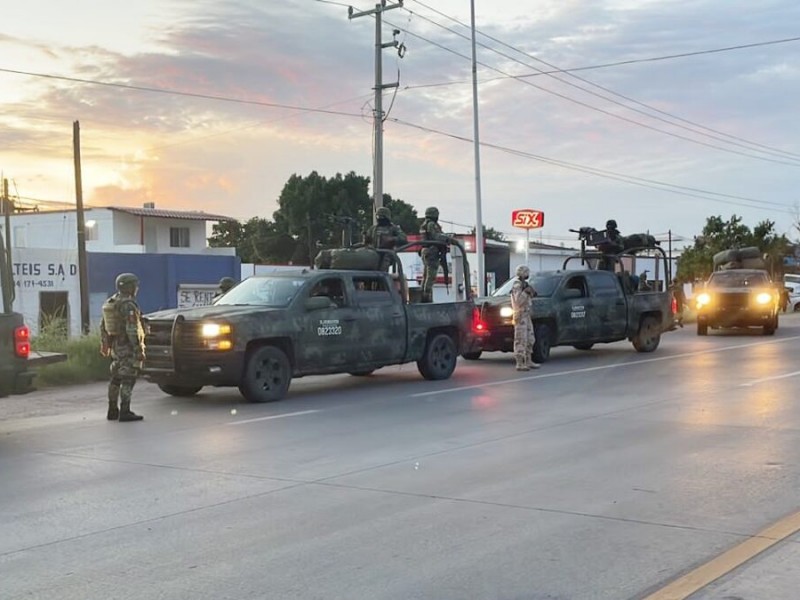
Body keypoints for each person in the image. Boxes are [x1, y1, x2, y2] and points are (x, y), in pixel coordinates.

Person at [100, 273, 146, 422]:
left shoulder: (111, 302)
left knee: (115, 378)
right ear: (130, 287)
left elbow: (103, 326)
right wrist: (138, 349)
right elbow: (132, 329)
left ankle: (112, 410)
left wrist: (105, 344)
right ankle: (125, 411)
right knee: (128, 378)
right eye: (135, 285)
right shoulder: (128, 305)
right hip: (126, 346)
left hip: (115, 346)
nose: (137, 288)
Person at [510, 264, 540, 371]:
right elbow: (518, 301)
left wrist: (530, 292)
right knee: (520, 338)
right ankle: (520, 362)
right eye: (526, 272)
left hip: (526, 315)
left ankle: (528, 360)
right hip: (520, 315)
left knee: (530, 338)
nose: (528, 274)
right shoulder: (517, 285)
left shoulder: (524, 284)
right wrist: (525, 292)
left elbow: (532, 296)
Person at [419, 206, 449, 303]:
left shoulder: (424, 224)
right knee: (431, 276)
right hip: (432, 251)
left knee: (426, 275)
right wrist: (447, 238)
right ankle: (426, 296)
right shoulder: (431, 224)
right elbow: (436, 236)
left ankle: (423, 294)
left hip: (425, 250)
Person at [364, 206, 408, 271]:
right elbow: (366, 241)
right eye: (379, 217)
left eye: (382, 217)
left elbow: (403, 238)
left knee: (383, 268)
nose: (381, 219)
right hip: (374, 253)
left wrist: (392, 239)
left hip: (387, 254)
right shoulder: (373, 229)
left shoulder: (393, 228)